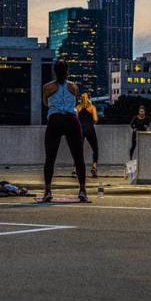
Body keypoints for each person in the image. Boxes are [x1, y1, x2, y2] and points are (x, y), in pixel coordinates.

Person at [42, 59, 89, 203]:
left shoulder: (48, 87)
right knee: (78, 156)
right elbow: (75, 102)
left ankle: (48, 190)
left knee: (50, 157)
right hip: (71, 120)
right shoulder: (74, 87)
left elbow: (45, 102)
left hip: (55, 120)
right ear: (67, 71)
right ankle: (82, 190)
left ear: (54, 72)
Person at [76, 93, 99, 178]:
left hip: (81, 129)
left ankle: (76, 169)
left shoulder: (78, 107)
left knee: (78, 149)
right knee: (95, 148)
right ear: (89, 98)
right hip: (90, 128)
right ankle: (94, 167)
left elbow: (76, 119)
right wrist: (91, 123)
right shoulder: (92, 107)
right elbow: (95, 119)